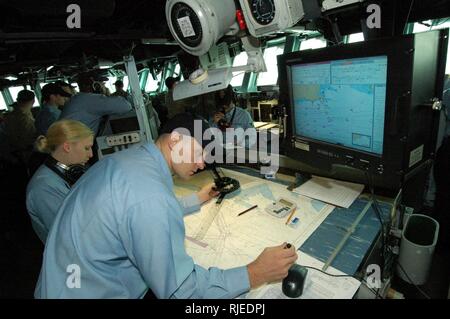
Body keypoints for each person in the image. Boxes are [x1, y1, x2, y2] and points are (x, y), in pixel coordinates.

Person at [34, 113, 297, 298]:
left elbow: (128, 211)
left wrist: (198, 199)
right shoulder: (149, 196)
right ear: (175, 141)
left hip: (62, 284)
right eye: (200, 152)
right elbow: (181, 292)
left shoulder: (127, 161)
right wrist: (255, 273)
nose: (203, 163)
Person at [26, 119, 94, 243]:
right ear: (67, 147)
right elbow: (70, 234)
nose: (91, 154)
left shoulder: (66, 173)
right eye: (87, 148)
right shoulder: (43, 188)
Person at [59, 73, 132, 136]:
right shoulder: (91, 99)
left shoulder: (77, 98)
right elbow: (126, 106)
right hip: (72, 145)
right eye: (101, 83)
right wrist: (101, 94)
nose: (103, 86)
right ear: (95, 85)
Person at [1, 89, 37, 163]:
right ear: (33, 101)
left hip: (10, 153)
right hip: (25, 154)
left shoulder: (9, 116)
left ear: (18, 100)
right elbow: (28, 140)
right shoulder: (25, 118)